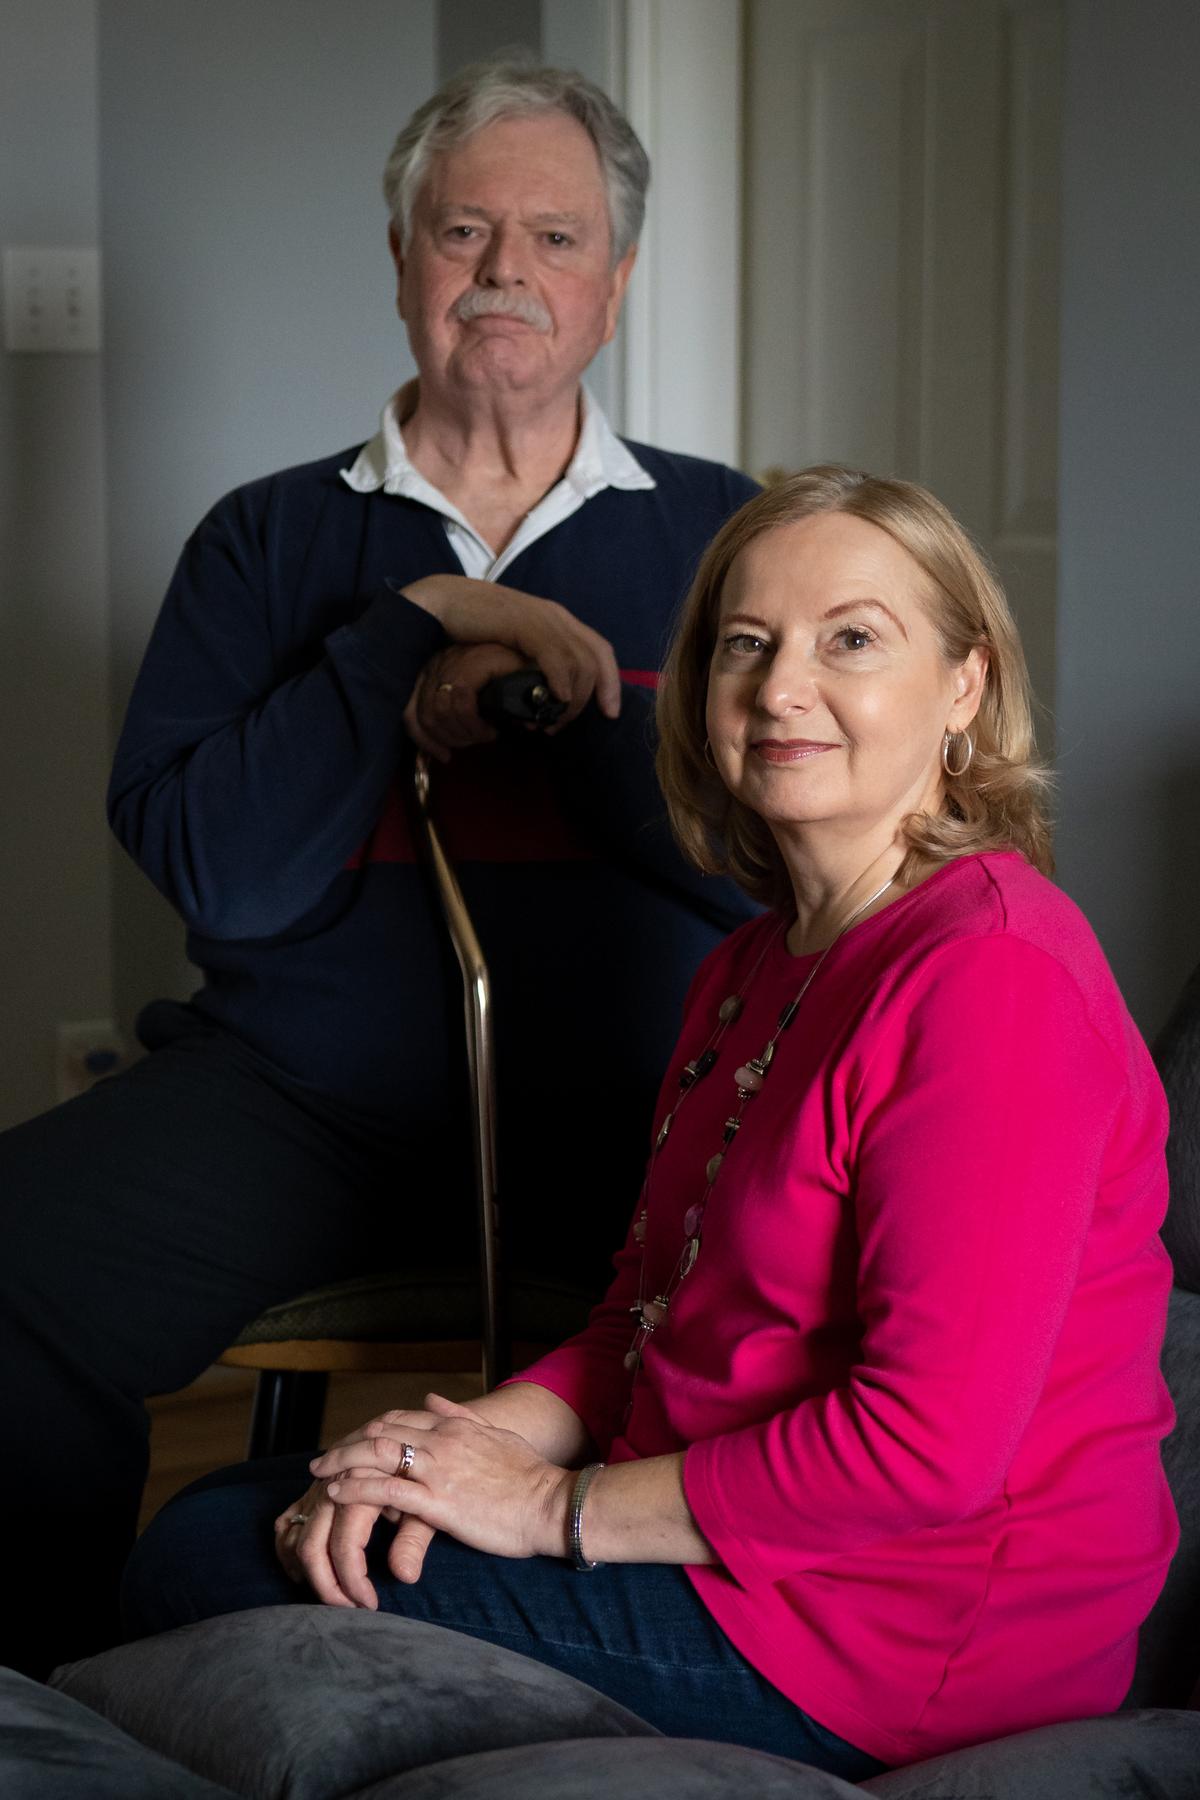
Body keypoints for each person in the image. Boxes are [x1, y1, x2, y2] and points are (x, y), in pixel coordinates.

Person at [123, 467, 1177, 1776]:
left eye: (852, 639)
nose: (783, 689)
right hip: (721, 1535)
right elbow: (644, 1313)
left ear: (962, 686)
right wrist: (466, 1444)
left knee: (210, 1552)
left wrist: (551, 1508)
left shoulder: (993, 979)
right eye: (748, 645)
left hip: (904, 1629)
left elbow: (923, 1452)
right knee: (255, 1506)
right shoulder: (749, 967)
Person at [0, 60, 758, 1680]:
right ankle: (58, 1709)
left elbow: (768, 864)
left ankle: (646, 1692)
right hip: (299, 1100)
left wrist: (564, 703)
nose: (505, 271)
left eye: (554, 237)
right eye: (463, 228)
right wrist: (409, 632)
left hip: (648, 1105)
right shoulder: (265, 541)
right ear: (404, 262)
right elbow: (231, 877)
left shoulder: (725, 541)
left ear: (615, 284)